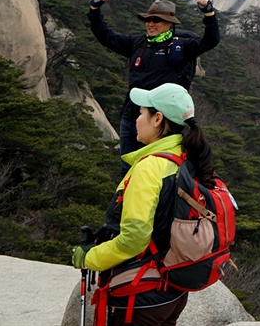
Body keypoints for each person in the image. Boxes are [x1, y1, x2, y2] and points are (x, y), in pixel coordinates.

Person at [72, 83, 215, 326]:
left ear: (157, 119)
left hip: (141, 292)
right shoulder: (188, 159)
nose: (137, 120)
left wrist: (90, 257)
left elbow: (134, 239)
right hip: (172, 290)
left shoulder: (150, 167)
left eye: (141, 113)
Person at [88, 0, 220, 158]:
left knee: (159, 165)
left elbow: (210, 40)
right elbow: (107, 37)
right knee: (127, 167)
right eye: (148, 20)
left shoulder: (181, 46)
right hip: (132, 116)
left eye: (156, 20)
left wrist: (209, 15)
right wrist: (94, 10)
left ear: (169, 23)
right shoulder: (138, 43)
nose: (150, 24)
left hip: (162, 121)